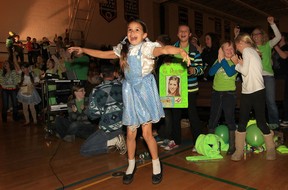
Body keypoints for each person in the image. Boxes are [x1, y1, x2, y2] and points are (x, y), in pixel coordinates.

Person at [68, 19, 190, 185]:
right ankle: (131, 165)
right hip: (130, 92)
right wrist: (83, 49)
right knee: (131, 133)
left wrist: (180, 52)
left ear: (144, 34)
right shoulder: (123, 49)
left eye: (137, 30)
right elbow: (104, 54)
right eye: (130, 29)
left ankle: (156, 163)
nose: (133, 33)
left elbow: (164, 49)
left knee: (147, 134)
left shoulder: (147, 48)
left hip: (144, 92)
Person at [231, 33, 276, 161]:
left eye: (236, 46)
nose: (236, 49)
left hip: (255, 91)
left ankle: (241, 151)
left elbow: (244, 71)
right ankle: (241, 150)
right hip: (251, 91)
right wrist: (242, 63)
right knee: (259, 121)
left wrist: (236, 63)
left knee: (244, 122)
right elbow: (249, 71)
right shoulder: (252, 52)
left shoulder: (247, 51)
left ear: (240, 43)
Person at [163, 24, 203, 151]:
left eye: (186, 31)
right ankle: (176, 141)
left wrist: (194, 70)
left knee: (193, 116)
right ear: (177, 34)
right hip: (175, 90)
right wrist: (167, 65)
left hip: (190, 89)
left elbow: (201, 68)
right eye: (181, 31)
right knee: (175, 116)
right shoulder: (171, 49)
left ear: (190, 34)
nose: (183, 33)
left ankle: (197, 143)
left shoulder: (194, 50)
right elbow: (165, 65)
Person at [236, 16, 281, 130]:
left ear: (262, 35)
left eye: (258, 34)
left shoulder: (267, 45)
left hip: (268, 76)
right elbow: (240, 44)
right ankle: (262, 125)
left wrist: (272, 24)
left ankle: (275, 125)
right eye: (253, 35)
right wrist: (237, 35)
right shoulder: (251, 48)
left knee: (270, 102)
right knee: (259, 104)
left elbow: (278, 37)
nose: (255, 36)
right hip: (255, 78)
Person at [80, 63, 126, 156]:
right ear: (114, 73)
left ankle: (114, 142)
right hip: (124, 127)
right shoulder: (123, 86)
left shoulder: (96, 91)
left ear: (101, 75)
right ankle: (118, 140)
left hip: (108, 130)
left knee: (84, 150)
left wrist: (85, 110)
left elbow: (93, 115)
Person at [207, 41, 238, 155]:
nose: (229, 51)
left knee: (229, 118)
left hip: (229, 94)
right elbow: (210, 73)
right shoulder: (219, 61)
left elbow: (230, 72)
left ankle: (232, 146)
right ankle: (210, 144)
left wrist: (222, 60)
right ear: (221, 51)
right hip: (216, 93)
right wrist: (219, 60)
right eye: (226, 49)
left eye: (231, 49)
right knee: (213, 118)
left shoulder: (236, 62)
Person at [273, 33, 288, 127]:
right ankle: (278, 117)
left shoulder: (286, 46)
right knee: (277, 97)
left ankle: (286, 119)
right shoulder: (275, 49)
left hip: (285, 75)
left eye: (279, 36)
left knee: (285, 98)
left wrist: (275, 46)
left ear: (284, 38)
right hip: (276, 76)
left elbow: (284, 56)